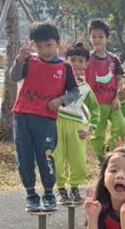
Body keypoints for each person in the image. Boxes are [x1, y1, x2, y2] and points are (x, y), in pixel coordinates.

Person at [9, 21, 79, 212]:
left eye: (49, 45)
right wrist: (19, 60)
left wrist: (61, 100)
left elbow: (75, 91)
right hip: (23, 115)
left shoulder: (64, 67)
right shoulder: (30, 61)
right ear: (33, 45)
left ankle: (49, 194)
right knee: (24, 156)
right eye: (39, 46)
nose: (45, 50)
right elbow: (14, 77)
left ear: (58, 43)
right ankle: (30, 194)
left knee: (45, 155)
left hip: (46, 119)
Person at [55, 42, 100, 206]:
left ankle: (74, 188)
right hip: (57, 122)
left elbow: (95, 110)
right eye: (72, 60)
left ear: (87, 64)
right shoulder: (59, 79)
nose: (76, 64)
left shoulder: (86, 88)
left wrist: (90, 130)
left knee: (78, 159)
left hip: (76, 127)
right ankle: (60, 189)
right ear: (67, 60)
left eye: (81, 61)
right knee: (56, 158)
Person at [84, 19, 125, 162]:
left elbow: (119, 79)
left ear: (107, 38)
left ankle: (111, 152)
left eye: (101, 36)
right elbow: (75, 66)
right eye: (94, 36)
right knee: (98, 133)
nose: (97, 40)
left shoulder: (114, 59)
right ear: (90, 38)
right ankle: (101, 157)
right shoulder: (87, 58)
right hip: (96, 104)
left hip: (113, 102)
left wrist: (117, 98)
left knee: (120, 126)